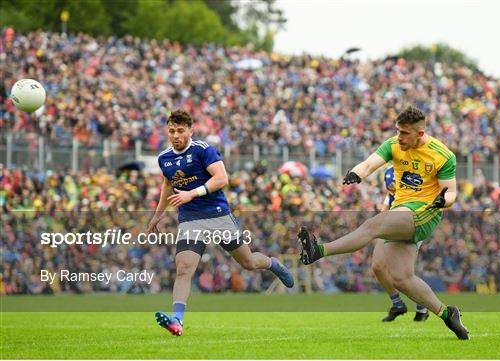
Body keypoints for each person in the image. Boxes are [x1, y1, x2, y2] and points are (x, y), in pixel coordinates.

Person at [298, 105, 469, 340]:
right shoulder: (393, 145)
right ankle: (447, 313)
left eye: (405, 133)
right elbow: (369, 164)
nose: (399, 137)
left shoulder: (443, 155)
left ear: (420, 134)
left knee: (374, 226)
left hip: (424, 214)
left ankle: (319, 250)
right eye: (398, 131)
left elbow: (451, 194)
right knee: (401, 278)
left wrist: (442, 201)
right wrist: (356, 173)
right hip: (401, 212)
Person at [148, 109, 293, 336]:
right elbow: (168, 186)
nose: (175, 135)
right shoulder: (164, 158)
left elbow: (222, 178)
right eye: (171, 131)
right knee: (184, 269)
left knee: (248, 263)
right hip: (190, 219)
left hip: (217, 216)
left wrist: (191, 194)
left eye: (180, 131)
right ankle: (177, 321)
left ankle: (273, 264)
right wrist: (158, 214)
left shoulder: (203, 150)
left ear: (190, 131)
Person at [373, 165, 429, 322]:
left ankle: (423, 306)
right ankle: (397, 304)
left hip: (409, 223)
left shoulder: (418, 169)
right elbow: (389, 196)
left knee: (404, 275)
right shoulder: (390, 170)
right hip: (389, 223)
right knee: (378, 266)